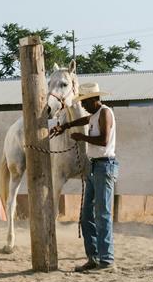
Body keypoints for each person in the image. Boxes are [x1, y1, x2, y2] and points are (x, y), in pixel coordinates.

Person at [50, 82, 118, 272]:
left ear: (94, 99)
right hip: (95, 167)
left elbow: (104, 140)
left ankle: (106, 260)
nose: (84, 106)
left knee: (102, 214)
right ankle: (94, 257)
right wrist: (66, 126)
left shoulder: (105, 113)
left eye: (85, 102)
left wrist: (82, 138)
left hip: (105, 166)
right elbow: (84, 120)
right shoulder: (95, 114)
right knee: (87, 214)